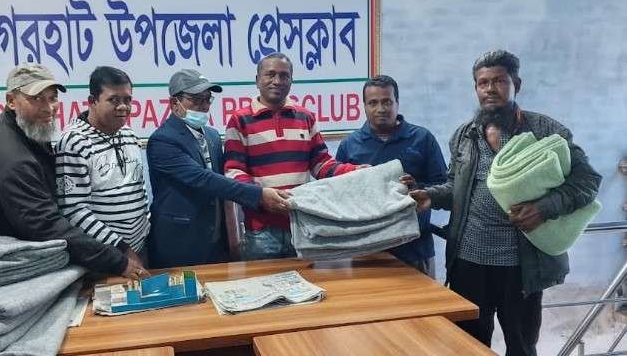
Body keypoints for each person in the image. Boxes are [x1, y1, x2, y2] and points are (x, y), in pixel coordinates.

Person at [408, 50, 602, 355]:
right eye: (482, 83)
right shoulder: (464, 136)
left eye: (499, 81)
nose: (490, 89)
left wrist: (544, 208)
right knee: (468, 347)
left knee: (522, 347)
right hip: (469, 264)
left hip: (522, 267)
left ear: (516, 84)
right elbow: (456, 188)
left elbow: (588, 180)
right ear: (476, 88)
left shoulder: (545, 132)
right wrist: (430, 195)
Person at [0, 64, 145, 279]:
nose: (48, 108)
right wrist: (117, 260)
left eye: (52, 98)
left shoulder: (29, 128)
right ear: (11, 101)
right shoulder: (13, 155)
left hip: (29, 256)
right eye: (37, 99)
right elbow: (45, 223)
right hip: (4, 264)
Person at [224, 52, 362, 260]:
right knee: (263, 281)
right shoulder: (239, 120)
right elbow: (234, 171)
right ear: (257, 80)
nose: (277, 81)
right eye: (270, 74)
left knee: (307, 281)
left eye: (284, 75)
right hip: (261, 231)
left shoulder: (305, 117)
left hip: (301, 226)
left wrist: (354, 172)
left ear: (291, 81)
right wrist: (261, 196)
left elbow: (321, 164)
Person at [147, 69, 291, 268]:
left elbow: (226, 180)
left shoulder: (212, 136)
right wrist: (259, 195)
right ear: (174, 103)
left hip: (216, 241)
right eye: (196, 100)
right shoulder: (162, 141)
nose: (204, 106)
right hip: (179, 243)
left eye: (207, 99)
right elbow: (203, 179)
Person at [336, 75, 447, 277]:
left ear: (397, 102)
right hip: (366, 252)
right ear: (364, 106)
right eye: (373, 103)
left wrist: (418, 188)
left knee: (423, 299)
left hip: (415, 250)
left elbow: (444, 187)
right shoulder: (349, 145)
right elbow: (339, 197)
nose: (381, 109)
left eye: (387, 101)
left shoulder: (422, 139)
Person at [55, 66, 150, 273]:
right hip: (104, 256)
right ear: (92, 101)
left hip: (140, 247)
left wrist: (145, 230)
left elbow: (139, 188)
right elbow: (74, 211)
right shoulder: (74, 142)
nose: (123, 107)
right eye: (114, 100)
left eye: (127, 100)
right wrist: (121, 249)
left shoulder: (129, 135)